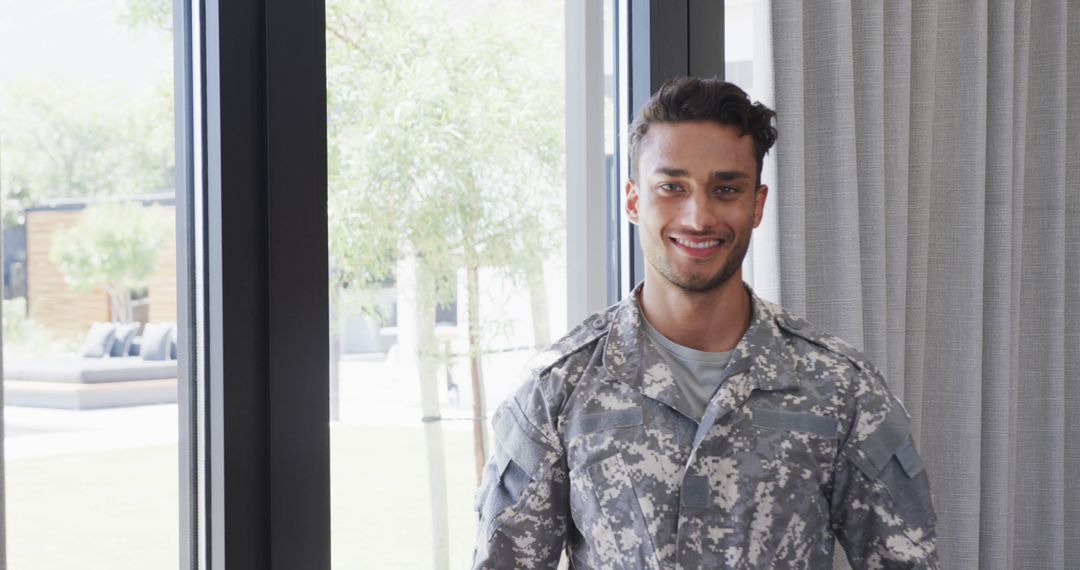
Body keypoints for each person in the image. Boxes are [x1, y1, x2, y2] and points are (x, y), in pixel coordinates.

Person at [472, 76, 938, 569]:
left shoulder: (843, 390)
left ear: (756, 205)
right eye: (672, 187)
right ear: (633, 201)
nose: (698, 216)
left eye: (726, 188)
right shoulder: (559, 391)